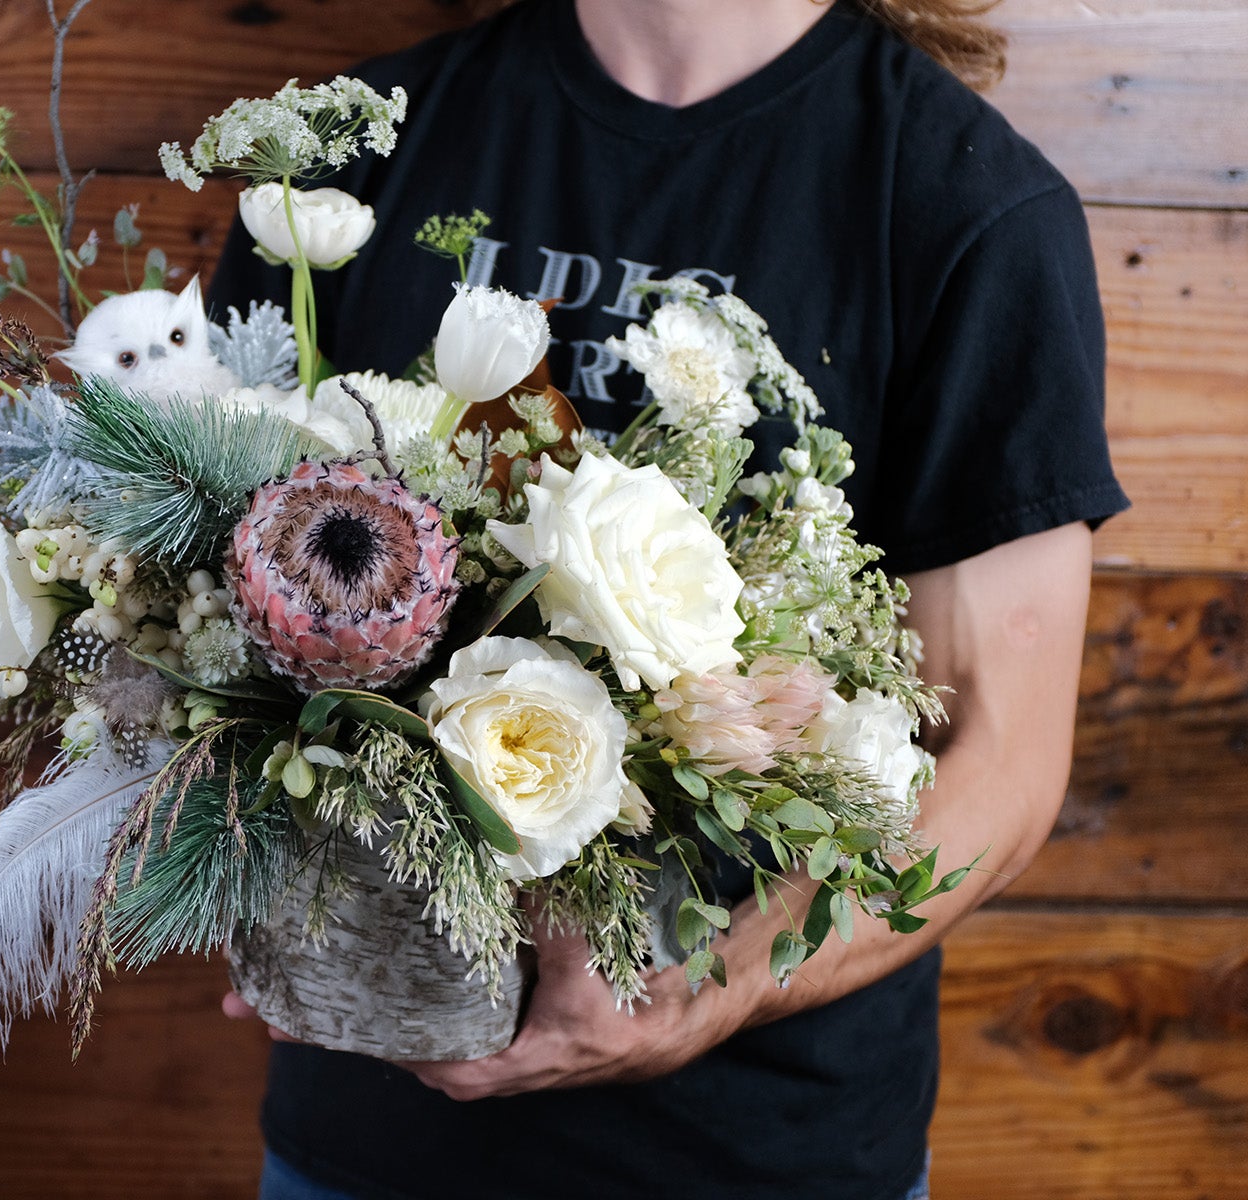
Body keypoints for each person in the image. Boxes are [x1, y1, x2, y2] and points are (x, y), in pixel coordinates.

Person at [206, 1, 1128, 1196]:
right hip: (372, 1143)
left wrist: (708, 996)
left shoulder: (962, 200)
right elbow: (192, 581)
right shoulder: (351, 152)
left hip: (759, 1155)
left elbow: (1000, 760)